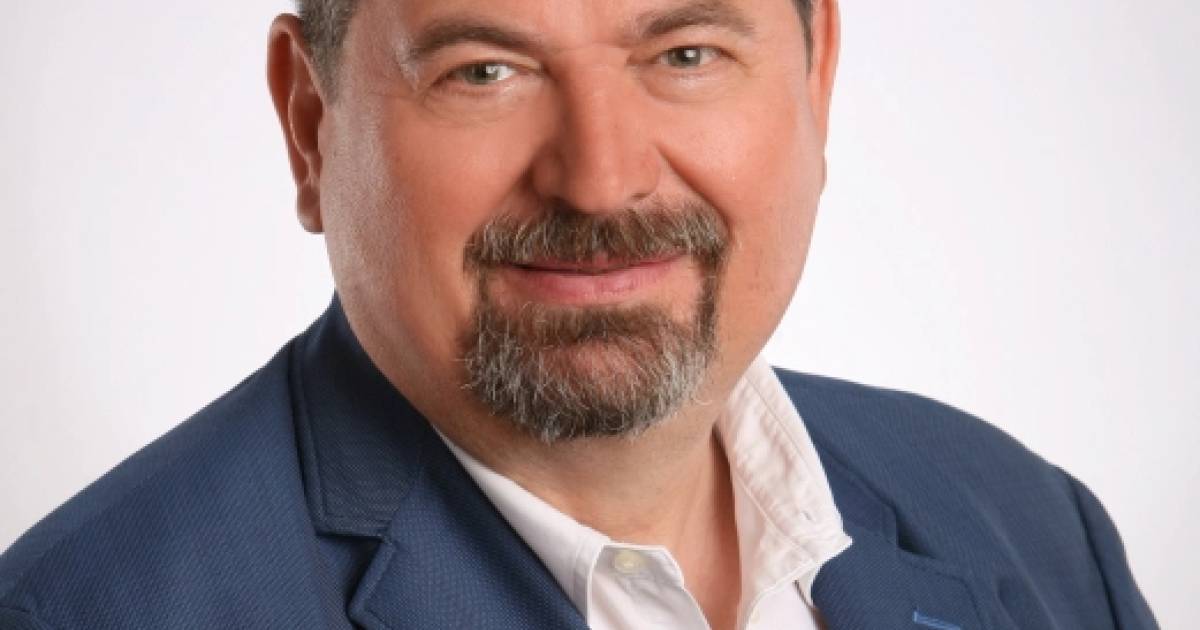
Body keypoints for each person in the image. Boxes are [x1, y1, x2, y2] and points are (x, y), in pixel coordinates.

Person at [0, 0, 1157, 628]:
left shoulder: (1035, 531)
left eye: (686, 52)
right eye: (483, 70)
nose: (601, 180)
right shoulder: (87, 613)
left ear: (816, 80)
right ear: (311, 124)